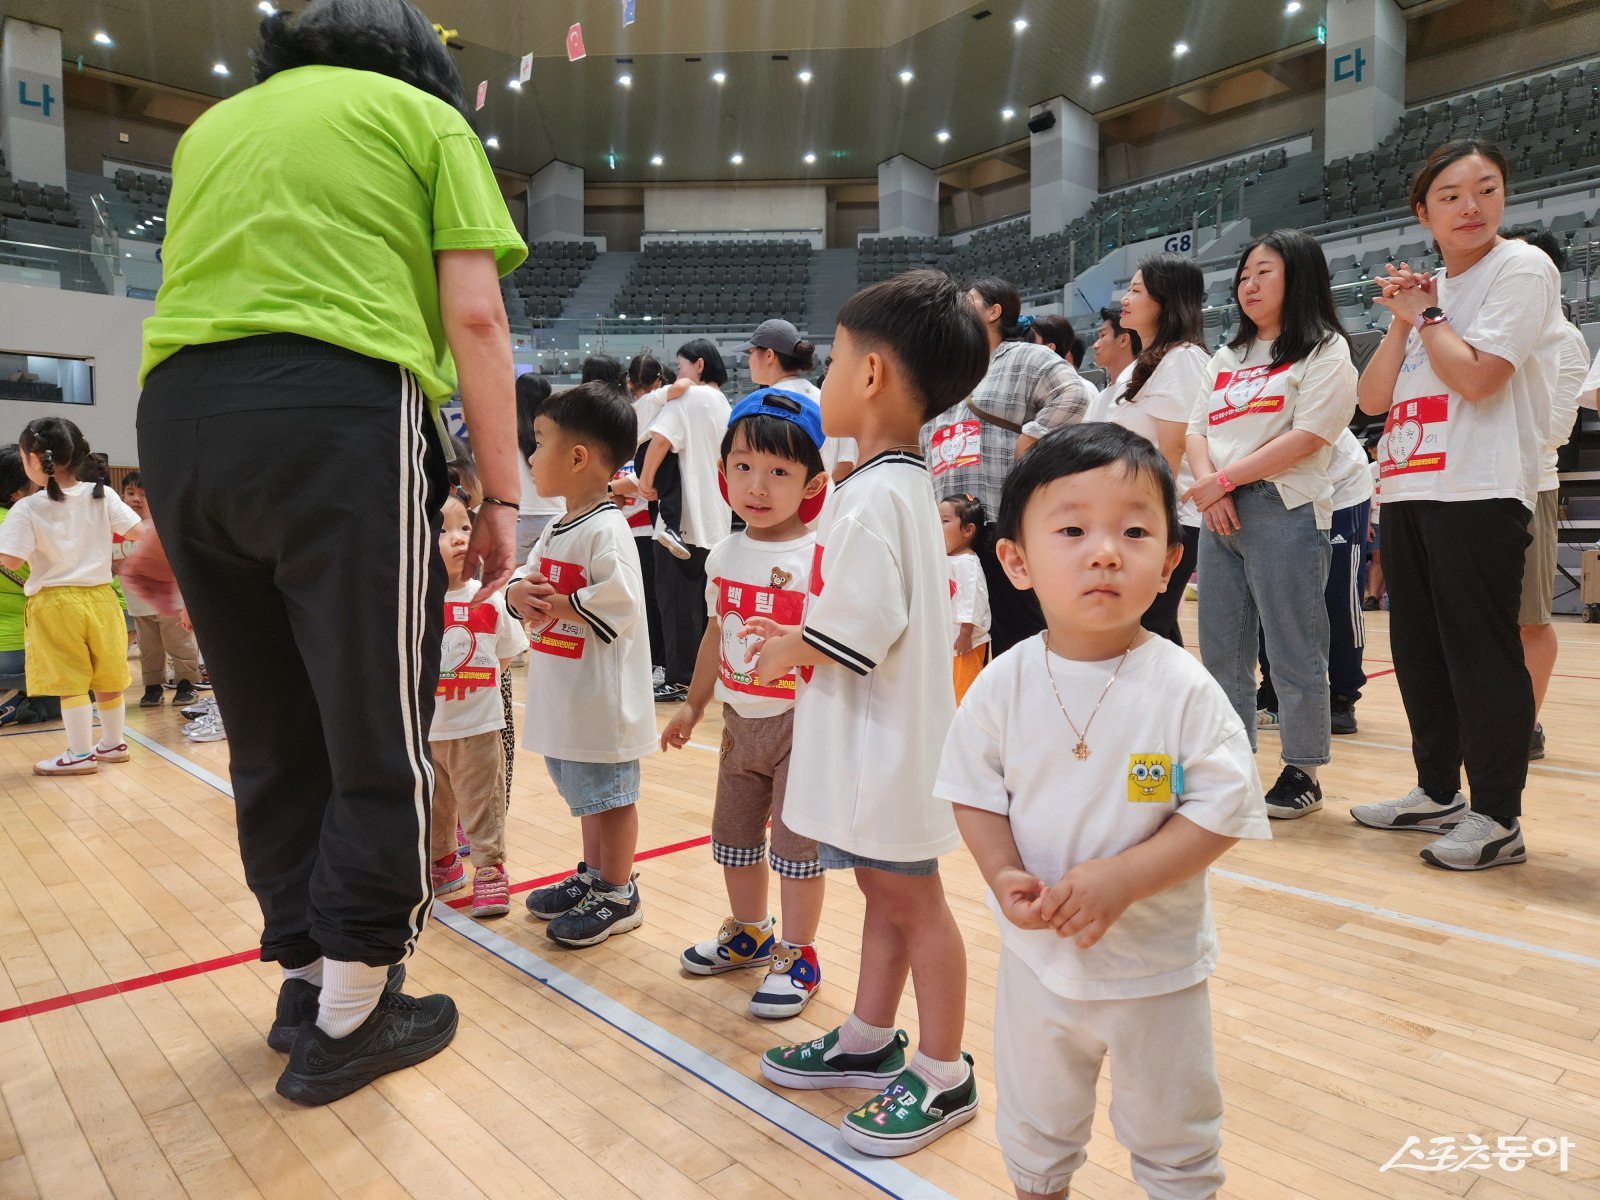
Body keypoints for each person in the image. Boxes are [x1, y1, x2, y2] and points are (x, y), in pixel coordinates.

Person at [131, 0, 526, 1105]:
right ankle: (354, 1013)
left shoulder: (215, 128)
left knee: (268, 730)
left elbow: (205, 310)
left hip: (180, 427)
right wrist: (501, 494)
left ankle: (304, 986)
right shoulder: (423, 118)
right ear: (416, 57)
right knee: (372, 725)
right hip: (339, 411)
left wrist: (164, 520)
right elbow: (477, 319)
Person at [940, 423, 1270, 1200]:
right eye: (1072, 530)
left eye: (1134, 531)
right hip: (1038, 965)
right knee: (1034, 1128)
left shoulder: (1181, 689)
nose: (1105, 552)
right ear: (1016, 561)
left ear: (1171, 562)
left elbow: (1221, 808)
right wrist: (1002, 872)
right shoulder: (1002, 684)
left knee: (1174, 1133)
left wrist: (1125, 879)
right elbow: (974, 792)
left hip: (1157, 970)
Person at [751, 270, 990, 1157]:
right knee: (884, 896)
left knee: (913, 904)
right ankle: (867, 1036)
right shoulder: (894, 484)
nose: (826, 379)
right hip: (881, 743)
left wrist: (788, 646)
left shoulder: (873, 495)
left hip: (885, 749)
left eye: (836, 361)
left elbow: (859, 628)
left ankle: (943, 1072)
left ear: (874, 374)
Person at [1353, 139, 1563, 870]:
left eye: (1486, 189)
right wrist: (1404, 318)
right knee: (1418, 652)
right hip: (1408, 485)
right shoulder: (1425, 295)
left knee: (1482, 654)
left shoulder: (1522, 267)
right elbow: (1371, 399)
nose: (1470, 206)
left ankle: (1498, 816)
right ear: (1424, 212)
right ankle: (1437, 790)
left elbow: (1477, 380)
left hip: (1479, 487)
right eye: (1450, 195)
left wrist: (1429, 314)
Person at [660, 387, 831, 1019]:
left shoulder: (818, 557)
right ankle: (752, 932)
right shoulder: (725, 555)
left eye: (779, 472)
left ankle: (800, 952)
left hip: (799, 727)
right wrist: (692, 706)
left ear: (813, 484)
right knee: (734, 838)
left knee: (795, 849)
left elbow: (835, 646)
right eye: (743, 467)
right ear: (721, 472)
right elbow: (714, 635)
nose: (757, 486)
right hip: (738, 724)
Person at [1186, 230, 1356, 820]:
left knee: (1293, 645)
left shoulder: (1325, 349)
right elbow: (1196, 431)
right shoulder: (1226, 356)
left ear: (1298, 279)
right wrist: (1211, 487)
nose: (1249, 286)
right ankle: (1230, 763)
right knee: (1222, 647)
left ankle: (1304, 769)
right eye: (1244, 276)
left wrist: (1222, 481)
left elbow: (1309, 436)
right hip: (1220, 510)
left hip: (1285, 506)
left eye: (1264, 273)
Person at [512, 382, 656, 946]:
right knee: (588, 798)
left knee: (611, 800)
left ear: (577, 458)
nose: (531, 455)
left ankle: (619, 893)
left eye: (539, 441)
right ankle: (596, 876)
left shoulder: (607, 529)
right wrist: (517, 593)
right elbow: (526, 575)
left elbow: (621, 602)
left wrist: (559, 603)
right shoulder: (558, 526)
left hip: (601, 703)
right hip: (568, 695)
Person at [921, 277, 1091, 655]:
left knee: (1012, 627)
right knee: (958, 634)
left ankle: (1030, 690)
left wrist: (1033, 436)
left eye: (969, 301)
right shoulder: (949, 371)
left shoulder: (1026, 357)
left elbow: (1074, 394)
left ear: (994, 312)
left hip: (1000, 515)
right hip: (949, 526)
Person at [0, 418, 144, 776]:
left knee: (71, 680)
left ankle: (79, 753)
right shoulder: (103, 494)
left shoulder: (27, 507)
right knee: (108, 676)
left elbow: (12, 561)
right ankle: (113, 743)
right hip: (101, 598)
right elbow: (138, 532)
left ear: (35, 460)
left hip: (55, 604)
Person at [1503, 227, 1589, 761]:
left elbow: (1555, 429)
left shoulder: (1565, 341)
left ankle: (1524, 725)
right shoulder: (1492, 329)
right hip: (1475, 491)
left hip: (1528, 488)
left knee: (1531, 618)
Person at [427, 492, 529, 917]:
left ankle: (489, 869)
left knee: (483, 804)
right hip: (428, 729)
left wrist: (474, 686)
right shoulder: (416, 603)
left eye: (465, 528)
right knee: (434, 806)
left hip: (478, 727)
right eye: (443, 530)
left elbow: (505, 654)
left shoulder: (489, 596)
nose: (458, 538)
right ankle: (443, 863)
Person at [1106, 254, 1210, 644]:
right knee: (1156, 633)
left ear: (1166, 300)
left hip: (1170, 517)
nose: (1125, 299)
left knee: (1143, 630)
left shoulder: (1183, 359)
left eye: (1136, 290)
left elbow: (1174, 450)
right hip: (1143, 515)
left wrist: (1157, 524)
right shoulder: (1145, 364)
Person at [1257, 427, 1374, 736]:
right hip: (1280, 493)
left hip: (1340, 489)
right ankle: (1274, 692)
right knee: (1270, 595)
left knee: (1338, 598)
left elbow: (1302, 443)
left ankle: (1342, 696)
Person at [639, 339, 733, 702]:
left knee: (675, 605)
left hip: (682, 523)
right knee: (703, 608)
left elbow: (661, 440)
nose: (678, 375)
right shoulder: (724, 404)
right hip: (716, 518)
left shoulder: (690, 397)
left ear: (699, 365)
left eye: (680, 367)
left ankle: (679, 680)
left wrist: (646, 482)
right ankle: (702, 679)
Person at [115, 471, 202, 709]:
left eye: (143, 494)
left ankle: (186, 684)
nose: (136, 499)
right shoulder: (117, 530)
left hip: (171, 603)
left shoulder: (161, 526)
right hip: (137, 604)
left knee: (180, 645)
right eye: (130, 493)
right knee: (148, 649)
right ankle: (152, 687)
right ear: (122, 496)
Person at [739, 318, 856, 482]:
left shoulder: (763, 404)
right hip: (826, 493)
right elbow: (845, 464)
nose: (748, 361)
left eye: (751, 353)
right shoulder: (825, 398)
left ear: (769, 355)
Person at [940, 492, 990, 704]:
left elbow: (972, 601)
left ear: (968, 530)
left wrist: (965, 634)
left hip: (965, 643)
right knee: (951, 689)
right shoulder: (947, 558)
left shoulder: (967, 563)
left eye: (944, 521)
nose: (936, 527)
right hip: (950, 640)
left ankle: (967, 720)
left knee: (965, 690)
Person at [0, 445, 36, 723]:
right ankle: (20, 700)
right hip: (17, 654)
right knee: (82, 690)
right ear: (17, 493)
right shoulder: (24, 522)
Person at [515, 372, 564, 564]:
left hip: (518, 515)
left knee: (515, 577)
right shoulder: (557, 428)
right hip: (554, 512)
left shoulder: (506, 429)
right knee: (553, 574)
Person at [1084, 306, 1141, 421]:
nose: (1095, 346)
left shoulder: (1144, 389)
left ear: (1123, 340)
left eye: (1103, 336)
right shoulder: (1099, 398)